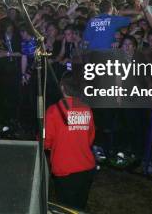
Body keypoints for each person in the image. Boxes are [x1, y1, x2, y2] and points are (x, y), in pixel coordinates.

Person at [45, 72, 96, 210]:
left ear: (62, 87)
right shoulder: (86, 108)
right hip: (86, 168)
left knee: (66, 208)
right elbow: (90, 137)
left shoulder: (54, 111)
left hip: (66, 169)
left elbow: (45, 141)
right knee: (79, 208)